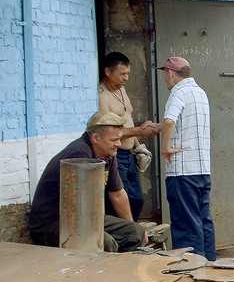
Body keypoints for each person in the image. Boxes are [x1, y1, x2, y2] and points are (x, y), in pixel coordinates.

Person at [27, 111, 146, 252]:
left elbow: (118, 194)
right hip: (52, 224)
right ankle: (103, 270)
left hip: (83, 219)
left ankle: (117, 264)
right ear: (96, 138)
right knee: (104, 241)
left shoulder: (108, 154)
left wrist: (130, 225)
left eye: (119, 139)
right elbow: (79, 206)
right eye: (114, 140)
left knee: (135, 232)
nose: (118, 144)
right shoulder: (79, 153)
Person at [158, 57, 216, 262]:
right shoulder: (199, 93)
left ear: (170, 73)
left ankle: (191, 268)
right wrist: (155, 128)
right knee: (203, 220)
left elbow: (169, 120)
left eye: (165, 73)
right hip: (201, 170)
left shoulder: (178, 92)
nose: (165, 78)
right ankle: (209, 263)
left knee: (185, 224)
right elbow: (176, 124)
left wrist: (165, 147)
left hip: (183, 172)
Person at [98, 52, 159, 220]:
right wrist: (140, 130)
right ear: (108, 72)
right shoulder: (102, 96)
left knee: (137, 200)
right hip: (115, 156)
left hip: (129, 155)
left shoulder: (121, 89)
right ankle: (120, 239)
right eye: (122, 74)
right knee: (119, 203)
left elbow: (127, 120)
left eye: (128, 74)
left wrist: (138, 146)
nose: (126, 78)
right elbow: (109, 132)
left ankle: (130, 233)